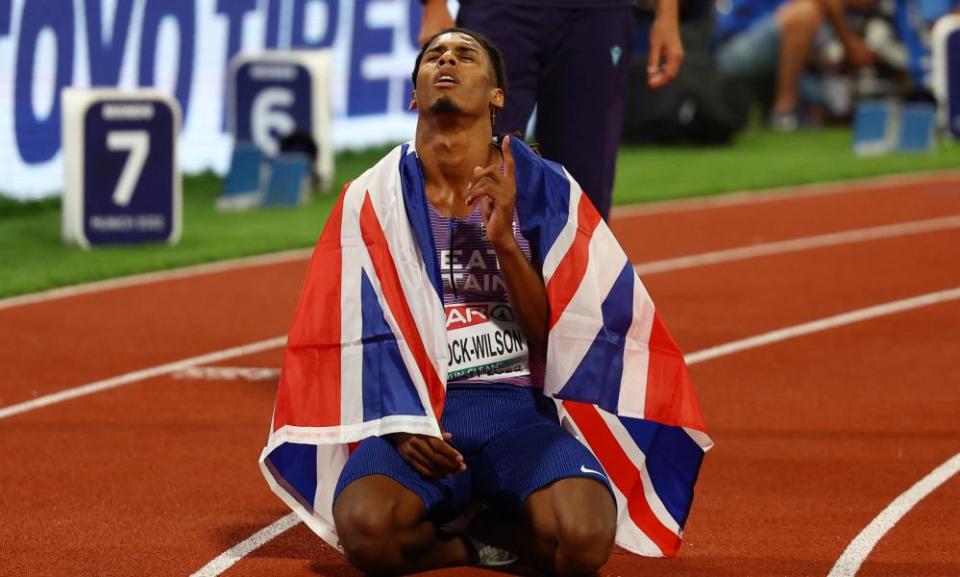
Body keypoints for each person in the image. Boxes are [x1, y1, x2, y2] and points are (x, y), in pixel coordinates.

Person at [258, 28, 711, 577]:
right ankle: (472, 545)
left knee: (586, 541)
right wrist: (399, 425)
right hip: (422, 420)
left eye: (464, 55)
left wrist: (502, 244)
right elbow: (345, 340)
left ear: (498, 95)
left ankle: (489, 512)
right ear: (414, 95)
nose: (446, 59)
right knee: (366, 533)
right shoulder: (370, 199)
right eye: (434, 56)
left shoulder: (545, 190)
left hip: (517, 418)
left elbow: (565, 339)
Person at [418, 0, 685, 221]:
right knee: (469, 163)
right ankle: (452, 280)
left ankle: (570, 285)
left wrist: (667, 14)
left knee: (583, 188)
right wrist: (434, 5)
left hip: (599, 14)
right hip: (501, 10)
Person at [712, 0, 876, 131]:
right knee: (804, 12)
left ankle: (792, 108)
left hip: (774, 59)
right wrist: (849, 45)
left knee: (836, 106)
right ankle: (783, 112)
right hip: (731, 50)